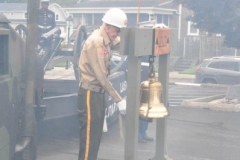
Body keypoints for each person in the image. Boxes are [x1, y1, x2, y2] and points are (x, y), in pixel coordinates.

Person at [77, 8, 127, 160]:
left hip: (97, 94)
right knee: (89, 139)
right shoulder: (96, 42)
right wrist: (118, 99)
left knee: (96, 137)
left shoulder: (107, 39)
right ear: (107, 26)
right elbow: (100, 76)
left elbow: (123, 45)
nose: (117, 34)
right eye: (117, 30)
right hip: (89, 94)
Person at [138, 56, 154, 143]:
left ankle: (143, 132)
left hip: (147, 87)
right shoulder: (136, 53)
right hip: (137, 88)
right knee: (138, 113)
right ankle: (137, 134)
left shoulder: (149, 56)